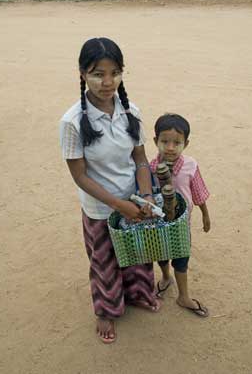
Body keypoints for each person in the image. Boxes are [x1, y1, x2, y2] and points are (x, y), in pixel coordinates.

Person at [60, 37, 160, 344]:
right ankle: (106, 310)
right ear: (81, 73)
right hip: (101, 208)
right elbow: (80, 177)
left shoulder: (132, 111)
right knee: (104, 261)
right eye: (97, 73)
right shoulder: (73, 121)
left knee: (139, 253)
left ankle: (139, 294)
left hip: (134, 200)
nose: (107, 82)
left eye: (115, 72)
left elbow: (141, 159)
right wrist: (118, 205)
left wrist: (143, 197)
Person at [150, 113, 211, 317]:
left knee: (181, 258)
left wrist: (205, 215)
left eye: (177, 142)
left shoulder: (190, 166)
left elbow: (198, 192)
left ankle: (183, 296)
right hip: (158, 222)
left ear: (186, 143)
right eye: (164, 141)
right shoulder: (150, 167)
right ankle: (166, 277)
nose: (170, 147)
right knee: (160, 253)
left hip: (181, 223)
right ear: (155, 141)